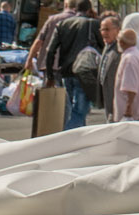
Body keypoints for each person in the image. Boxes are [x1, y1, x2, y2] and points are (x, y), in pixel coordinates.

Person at [41, 0, 99, 129]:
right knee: (79, 110)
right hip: (84, 71)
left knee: (72, 108)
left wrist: (50, 76)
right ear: (89, 10)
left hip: (66, 71)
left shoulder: (62, 24)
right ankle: (67, 136)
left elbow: (50, 51)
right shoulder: (93, 24)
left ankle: (78, 139)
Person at [113, 28, 139, 121]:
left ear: (121, 42)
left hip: (129, 111)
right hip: (138, 106)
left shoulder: (130, 59)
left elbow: (130, 86)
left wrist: (128, 107)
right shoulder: (138, 55)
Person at [97, 15, 121, 123]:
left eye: (107, 29)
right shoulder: (107, 47)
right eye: (102, 29)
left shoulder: (120, 49)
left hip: (118, 98)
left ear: (117, 30)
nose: (104, 32)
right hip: (107, 95)